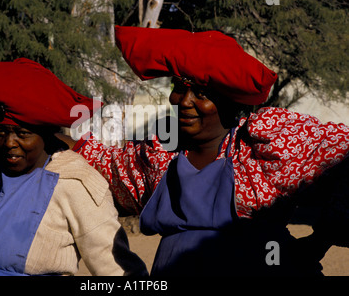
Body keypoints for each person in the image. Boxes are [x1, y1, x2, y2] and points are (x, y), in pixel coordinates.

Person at [67, 26, 349, 276]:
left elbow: (343, 156)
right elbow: (99, 162)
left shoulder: (262, 146)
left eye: (202, 93)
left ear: (230, 100)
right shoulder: (160, 156)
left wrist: (317, 243)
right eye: (180, 88)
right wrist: (43, 134)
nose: (185, 101)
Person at [0, 58, 148, 276]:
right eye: (1, 132)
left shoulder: (74, 182)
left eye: (23, 134)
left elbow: (112, 261)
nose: (9, 143)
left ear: (47, 135)